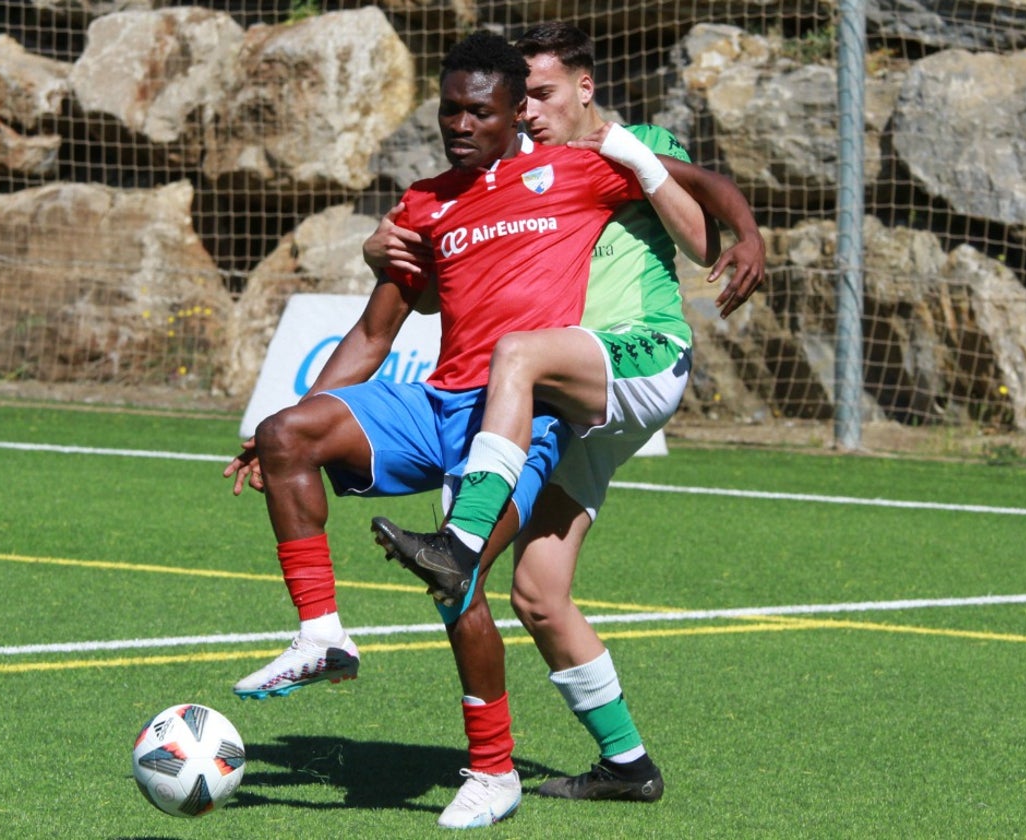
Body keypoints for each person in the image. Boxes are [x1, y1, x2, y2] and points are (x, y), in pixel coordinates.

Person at [223, 29, 712, 829]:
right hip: (437, 399)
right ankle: (320, 636)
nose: (458, 124)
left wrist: (743, 233)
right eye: (448, 109)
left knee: (464, 586)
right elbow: (376, 335)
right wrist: (295, 415)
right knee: (286, 436)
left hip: (520, 420)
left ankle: (494, 772)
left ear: (515, 112)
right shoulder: (424, 204)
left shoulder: (572, 168)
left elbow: (700, 194)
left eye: (476, 111)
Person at [369, 20, 766, 807]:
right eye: (524, 101)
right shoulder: (517, 168)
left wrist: (745, 230)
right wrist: (382, 249)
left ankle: (459, 539)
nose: (531, 114)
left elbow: (704, 209)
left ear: (584, 88)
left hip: (639, 354)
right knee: (538, 592)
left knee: (513, 357)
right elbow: (448, 260)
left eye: (543, 95)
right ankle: (627, 764)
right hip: (575, 393)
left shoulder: (631, 140)